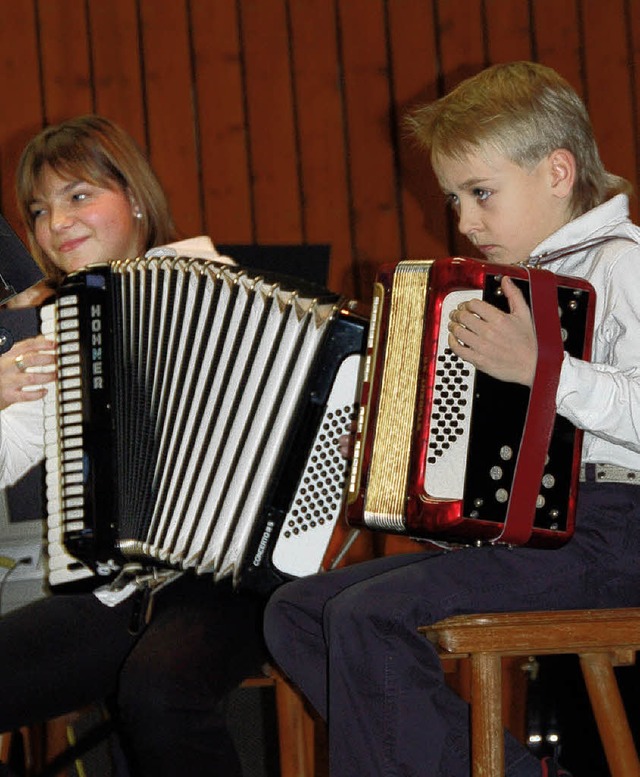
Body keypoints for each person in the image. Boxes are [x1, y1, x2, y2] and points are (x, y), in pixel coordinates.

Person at [263, 60, 640, 777]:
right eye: (453, 198)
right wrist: (390, 453)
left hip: (619, 527)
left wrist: (546, 370)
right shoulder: (508, 290)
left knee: (366, 618)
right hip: (542, 534)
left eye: (480, 192)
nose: (463, 220)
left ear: (557, 171)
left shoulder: (625, 264)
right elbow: (496, 452)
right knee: (296, 614)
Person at [0, 115, 267, 776]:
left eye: (79, 195)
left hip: (232, 580)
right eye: (39, 209)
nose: (56, 221)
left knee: (159, 688)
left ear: (136, 198)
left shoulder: (211, 285)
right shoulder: (66, 325)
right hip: (119, 587)